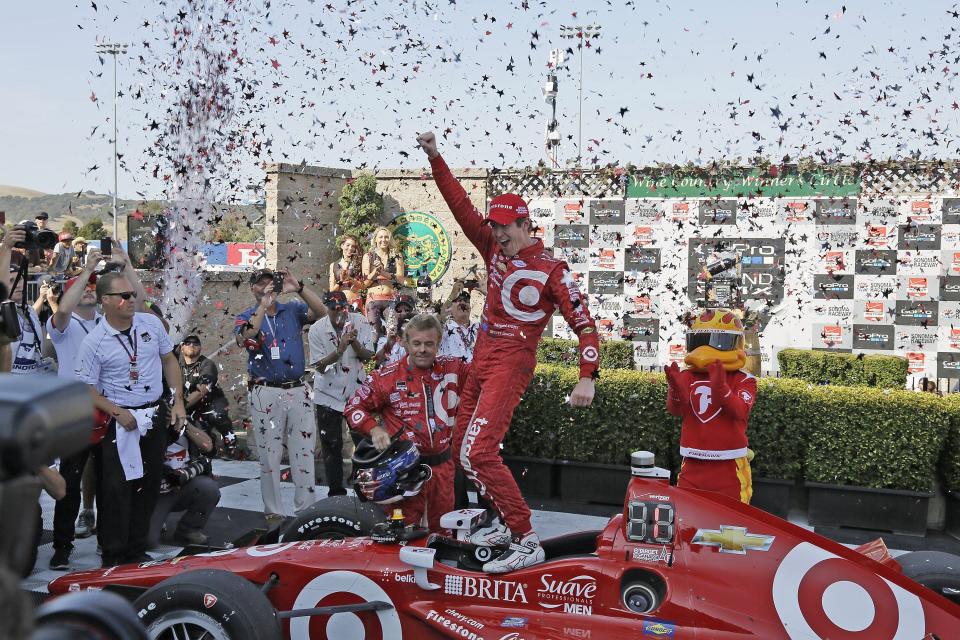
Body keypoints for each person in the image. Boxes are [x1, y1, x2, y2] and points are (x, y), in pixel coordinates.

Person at [417, 131, 599, 572]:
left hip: (511, 363)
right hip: (480, 360)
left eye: (505, 226)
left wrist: (587, 376)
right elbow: (460, 205)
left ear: (525, 225)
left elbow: (585, 324)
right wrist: (437, 156)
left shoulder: (552, 269)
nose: (497, 233)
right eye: (494, 225)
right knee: (461, 447)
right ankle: (501, 520)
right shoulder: (490, 247)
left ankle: (525, 537)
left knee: (479, 452)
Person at [76, 271, 187, 567]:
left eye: (132, 295)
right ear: (106, 301)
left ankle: (137, 551)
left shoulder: (150, 323)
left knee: (148, 484)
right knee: (115, 490)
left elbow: (169, 359)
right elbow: (85, 388)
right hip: (119, 421)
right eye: (123, 296)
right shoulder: (94, 341)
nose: (130, 300)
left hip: (152, 414)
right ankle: (112, 555)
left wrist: (177, 400)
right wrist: (116, 411)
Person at [346, 313, 470, 532]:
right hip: (403, 472)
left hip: (443, 469)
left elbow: (487, 375)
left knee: (443, 535)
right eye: (417, 343)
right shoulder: (386, 377)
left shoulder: (453, 368)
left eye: (429, 344)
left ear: (439, 344)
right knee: (402, 535)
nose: (422, 349)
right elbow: (353, 407)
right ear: (404, 343)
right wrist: (373, 429)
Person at [234, 268, 328, 521]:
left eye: (269, 282)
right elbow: (248, 335)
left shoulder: (293, 309)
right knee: (270, 455)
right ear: (252, 288)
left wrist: (299, 287)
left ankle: (305, 511)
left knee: (304, 452)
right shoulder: (246, 315)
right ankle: (274, 514)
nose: (266, 287)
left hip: (298, 389)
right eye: (260, 283)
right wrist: (264, 305)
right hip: (266, 391)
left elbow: (322, 313)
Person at [665, 309, 757, 504]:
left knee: (731, 522)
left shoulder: (744, 379)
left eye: (718, 342)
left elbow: (740, 411)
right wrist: (675, 390)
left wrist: (721, 388)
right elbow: (676, 410)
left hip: (729, 466)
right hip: (692, 462)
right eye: (700, 342)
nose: (706, 350)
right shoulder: (688, 375)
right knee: (687, 517)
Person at [308, 291, 375, 496]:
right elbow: (319, 366)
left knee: (363, 443)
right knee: (331, 445)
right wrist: (340, 348)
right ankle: (335, 492)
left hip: (355, 393)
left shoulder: (360, 322)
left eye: (342, 308)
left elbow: (368, 356)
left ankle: (363, 488)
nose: (338, 313)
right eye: (333, 309)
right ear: (327, 309)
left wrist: (353, 342)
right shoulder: (317, 329)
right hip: (327, 394)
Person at [147, 420, 221, 547]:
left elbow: (208, 446)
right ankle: (151, 520)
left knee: (209, 488)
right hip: (152, 491)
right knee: (148, 541)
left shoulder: (186, 421)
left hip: (181, 485)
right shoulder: (145, 418)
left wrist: (184, 423)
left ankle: (188, 529)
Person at [179, 335, 237, 457]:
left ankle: (231, 445)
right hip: (189, 403)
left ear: (200, 348)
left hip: (211, 401)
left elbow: (202, 390)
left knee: (218, 416)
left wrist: (181, 406)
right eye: (188, 343)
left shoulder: (207, 364)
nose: (191, 345)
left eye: (195, 343)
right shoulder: (176, 365)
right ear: (182, 347)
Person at [362, 226, 405, 336]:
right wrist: (375, 271)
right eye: (380, 237)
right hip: (373, 300)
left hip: (390, 300)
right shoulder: (368, 256)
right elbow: (364, 282)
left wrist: (382, 272)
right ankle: (375, 353)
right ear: (375, 239)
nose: (383, 240)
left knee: (393, 333)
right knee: (375, 335)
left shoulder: (397, 256)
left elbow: (400, 279)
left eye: (386, 237)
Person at [375, 294, 415, 367]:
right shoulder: (384, 339)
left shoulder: (421, 336)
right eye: (399, 310)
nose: (403, 313)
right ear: (393, 313)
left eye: (407, 310)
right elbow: (376, 363)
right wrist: (388, 346)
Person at [439, 290, 478, 362]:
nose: (463, 303)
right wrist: (451, 295)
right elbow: (439, 317)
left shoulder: (479, 328)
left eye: (466, 301)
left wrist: (490, 294)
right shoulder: (443, 329)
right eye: (458, 300)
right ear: (450, 308)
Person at [329, 235, 364, 311]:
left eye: (353, 246)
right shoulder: (333, 265)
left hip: (354, 303)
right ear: (342, 246)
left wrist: (350, 278)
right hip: (339, 304)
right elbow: (332, 291)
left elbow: (362, 286)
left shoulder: (358, 264)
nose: (350, 248)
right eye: (348, 245)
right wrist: (341, 281)